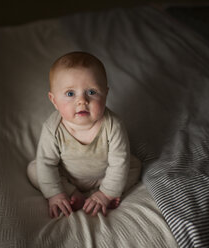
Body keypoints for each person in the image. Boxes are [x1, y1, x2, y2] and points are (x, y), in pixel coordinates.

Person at [27, 51, 141, 218]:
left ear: (106, 93)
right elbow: (47, 163)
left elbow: (118, 163)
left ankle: (102, 193)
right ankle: (71, 193)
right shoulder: (53, 128)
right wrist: (56, 194)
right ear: (54, 100)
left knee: (133, 165)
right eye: (70, 94)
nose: (82, 101)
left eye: (92, 92)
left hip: (104, 175)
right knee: (35, 169)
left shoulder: (113, 126)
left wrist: (106, 193)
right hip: (67, 176)